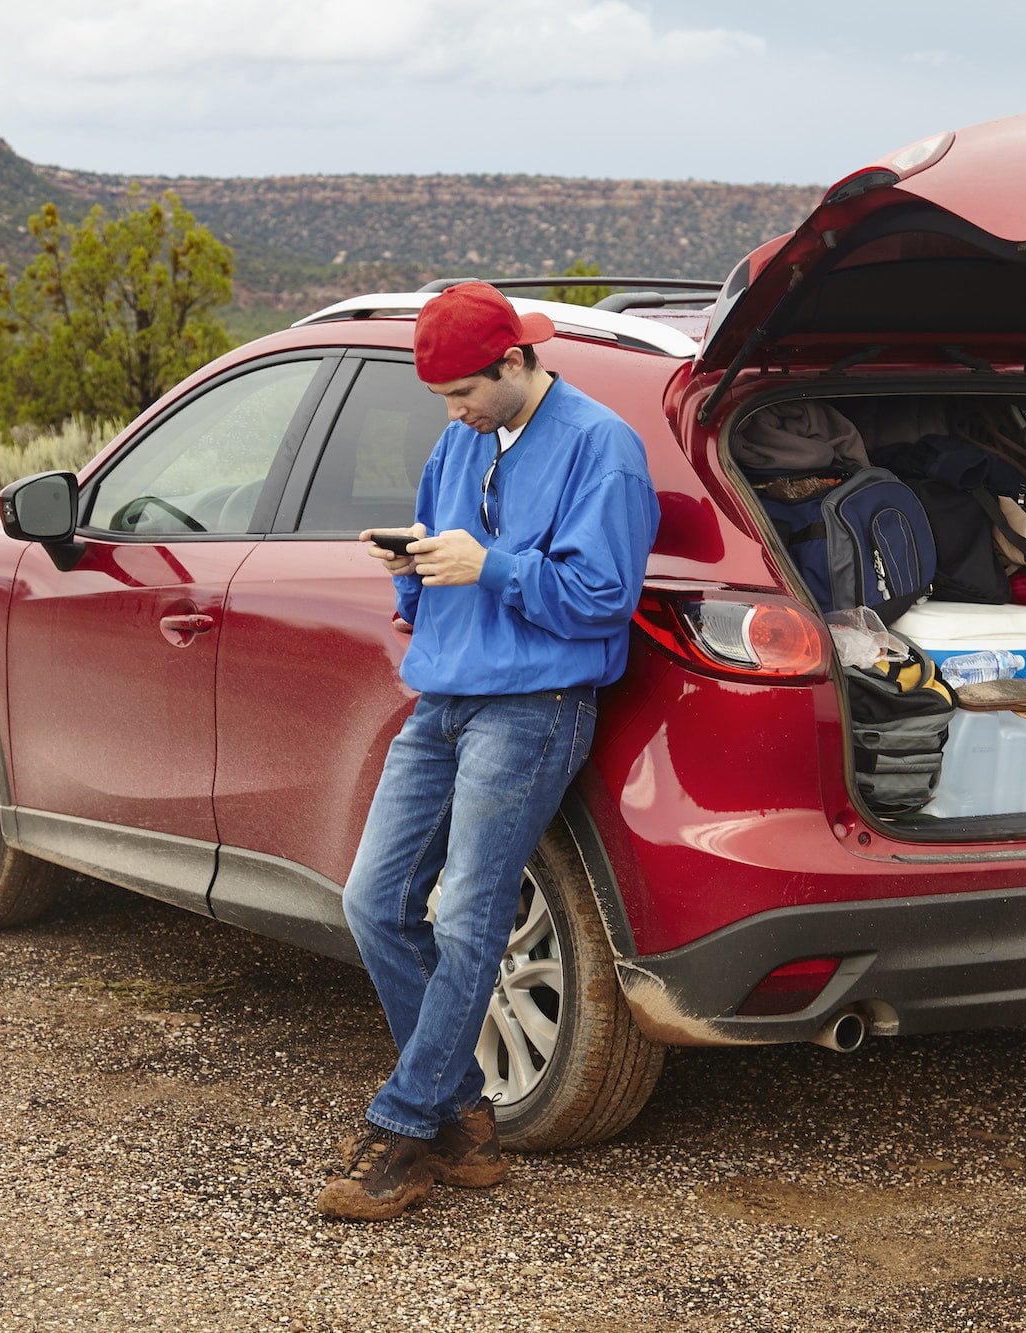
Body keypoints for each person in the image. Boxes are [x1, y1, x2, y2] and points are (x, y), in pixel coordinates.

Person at [316, 282, 659, 1221]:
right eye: (442, 401)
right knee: (374, 902)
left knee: (469, 915)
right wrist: (415, 569)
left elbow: (602, 598)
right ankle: (467, 1112)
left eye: (464, 392)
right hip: (442, 700)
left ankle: (407, 1125)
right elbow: (442, 555)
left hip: (534, 707)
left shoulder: (603, 449)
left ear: (514, 364)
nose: (455, 414)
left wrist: (490, 566)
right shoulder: (459, 440)